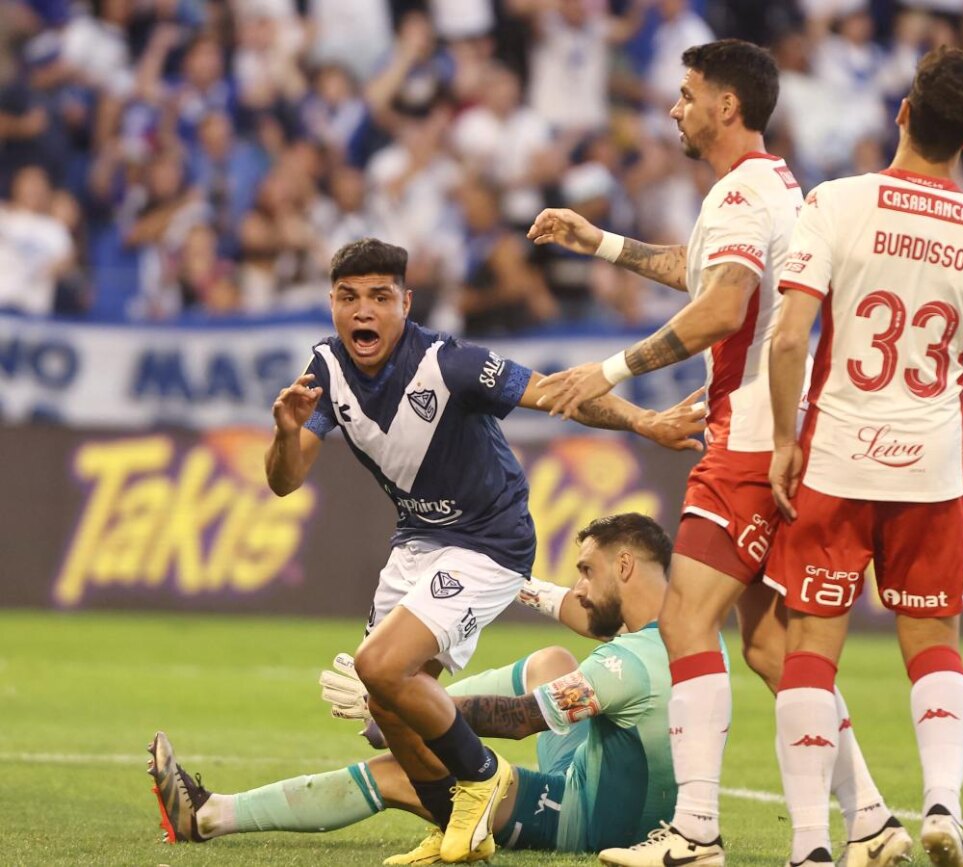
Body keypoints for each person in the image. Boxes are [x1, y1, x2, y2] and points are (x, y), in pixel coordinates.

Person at [527, 40, 906, 867]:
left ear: (726, 106)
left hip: (744, 439)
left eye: (688, 93)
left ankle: (696, 830)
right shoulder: (775, 188)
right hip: (798, 439)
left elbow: (723, 307)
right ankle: (871, 819)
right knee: (772, 649)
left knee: (681, 618)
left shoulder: (739, 195)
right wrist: (604, 245)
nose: (676, 107)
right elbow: (707, 275)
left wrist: (612, 368)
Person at [255, 238, 704, 863]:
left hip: (489, 540)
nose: (364, 312)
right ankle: (456, 831)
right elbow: (284, 479)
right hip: (417, 539)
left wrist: (642, 420)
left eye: (380, 297)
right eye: (349, 298)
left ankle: (482, 775)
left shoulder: (449, 363)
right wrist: (285, 432)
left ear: (405, 303)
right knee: (385, 716)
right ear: (331, 304)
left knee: (378, 667)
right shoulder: (325, 374)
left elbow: (554, 393)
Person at [765, 46, 963, 867]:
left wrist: (783, 437)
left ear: (902, 112)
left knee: (810, 645)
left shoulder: (837, 203)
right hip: (932, 467)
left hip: (836, 456)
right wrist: (951, 431)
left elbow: (792, 334)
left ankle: (809, 846)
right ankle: (942, 803)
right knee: (933, 636)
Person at [147, 514, 696, 861]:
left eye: (586, 572)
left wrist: (406, 704)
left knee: (402, 774)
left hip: (592, 820)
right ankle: (401, 714)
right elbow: (587, 620)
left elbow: (518, 720)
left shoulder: (625, 664)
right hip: (656, 808)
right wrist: (513, 583)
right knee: (551, 659)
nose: (578, 587)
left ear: (624, 565)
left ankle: (211, 815)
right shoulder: (682, 632)